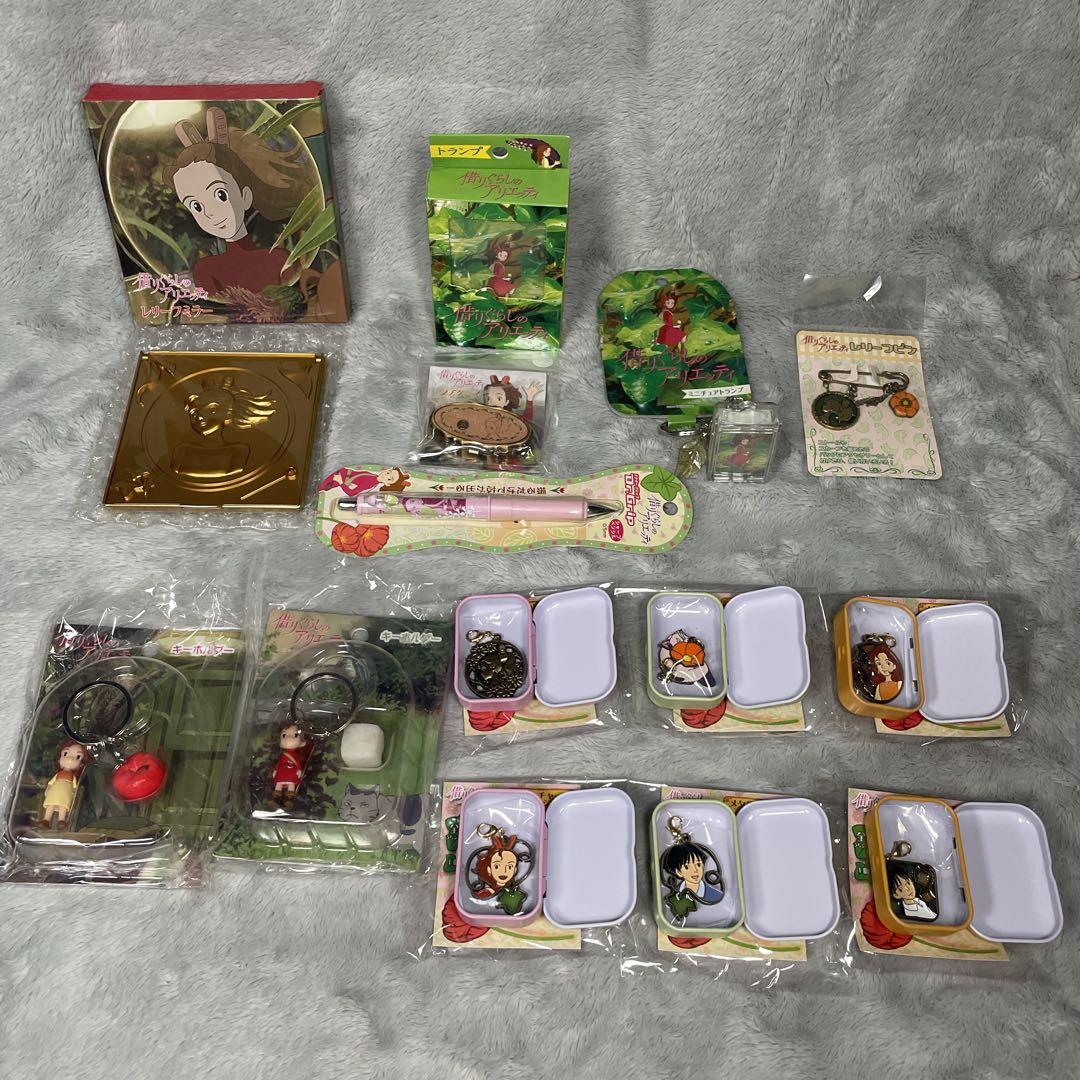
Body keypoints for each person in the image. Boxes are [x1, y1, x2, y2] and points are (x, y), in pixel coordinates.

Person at [162, 106, 309, 297]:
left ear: (245, 196)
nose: (209, 213)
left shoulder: (280, 261)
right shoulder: (206, 270)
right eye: (196, 206)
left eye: (220, 195)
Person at [41, 740, 93, 829]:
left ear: (81, 765)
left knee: (63, 807)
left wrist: (73, 795)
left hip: (65, 794)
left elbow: (75, 788)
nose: (70, 759)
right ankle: (46, 820)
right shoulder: (58, 774)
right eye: (65, 754)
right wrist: (48, 789)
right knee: (50, 805)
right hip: (54, 792)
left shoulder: (73, 777)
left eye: (78, 756)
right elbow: (51, 783)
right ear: (59, 759)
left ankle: (61, 821)